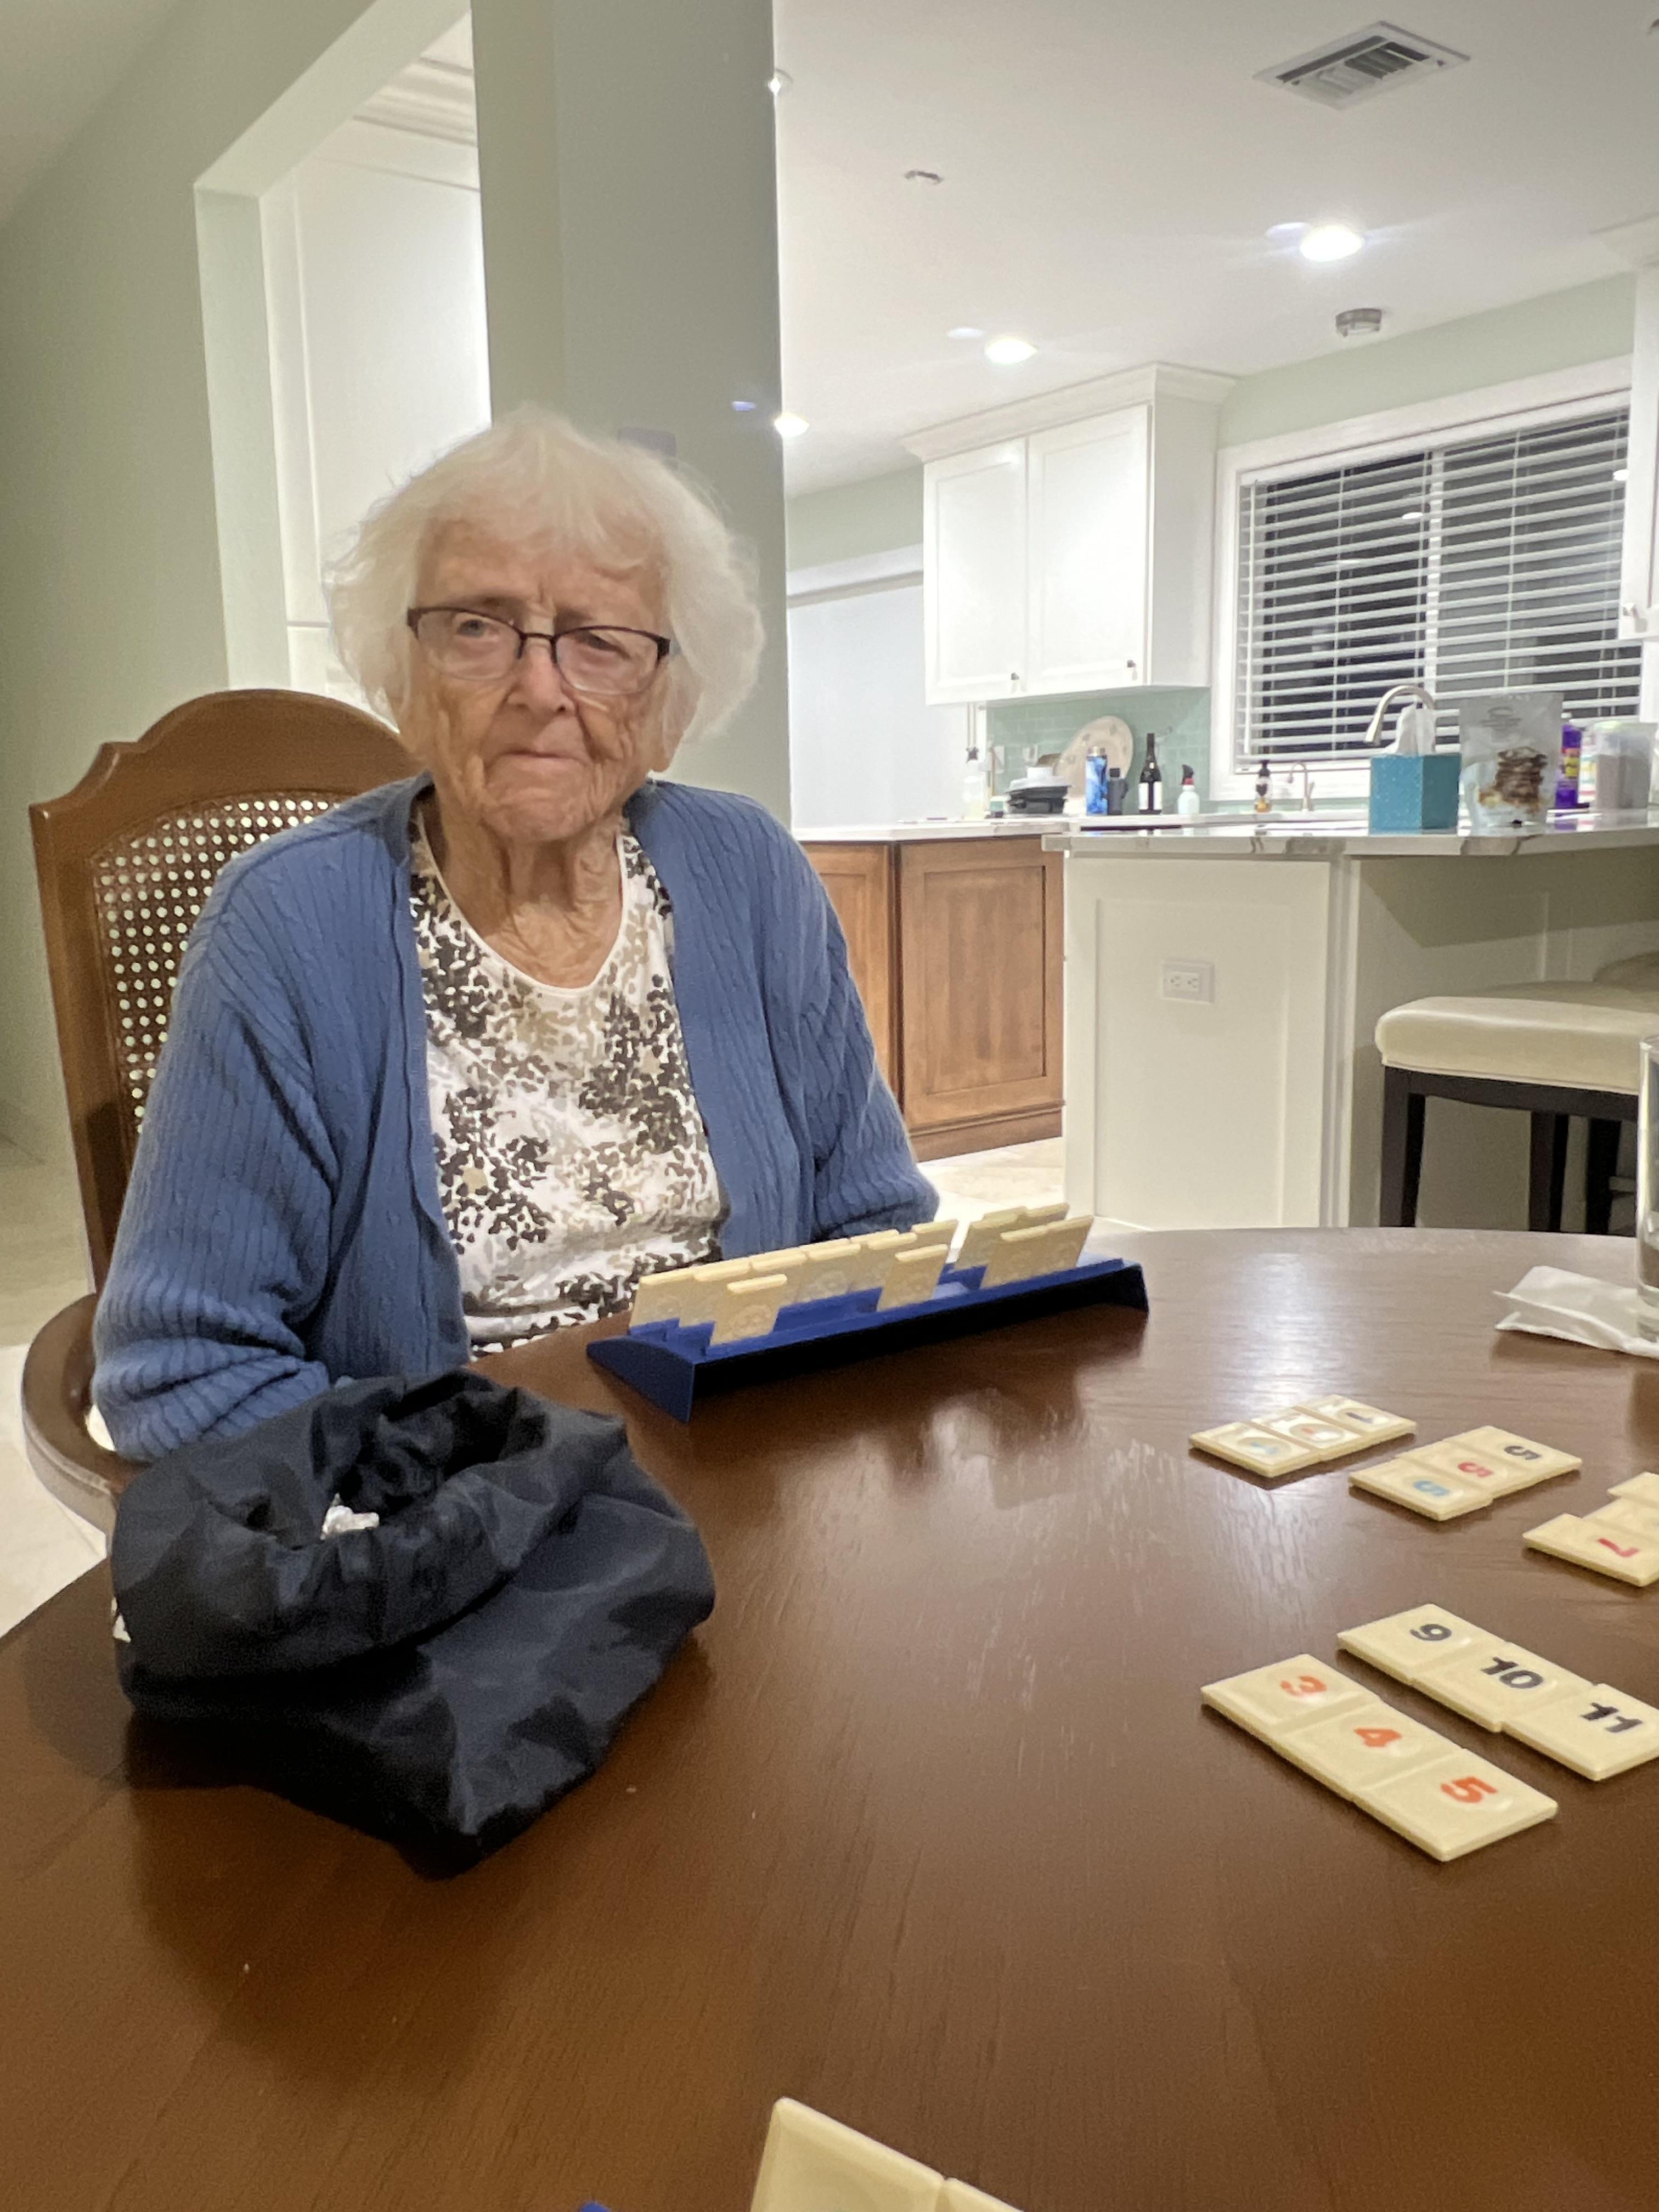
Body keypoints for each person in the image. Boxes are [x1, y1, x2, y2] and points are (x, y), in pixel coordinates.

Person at [94, 409, 934, 1458]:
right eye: (478, 627)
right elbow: (185, 1371)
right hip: (458, 1530)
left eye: (599, 642)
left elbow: (877, 1231)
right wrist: (476, 1495)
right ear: (402, 679)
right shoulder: (288, 923)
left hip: (756, 1470)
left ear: (669, 701)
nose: (540, 690)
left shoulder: (750, 871)